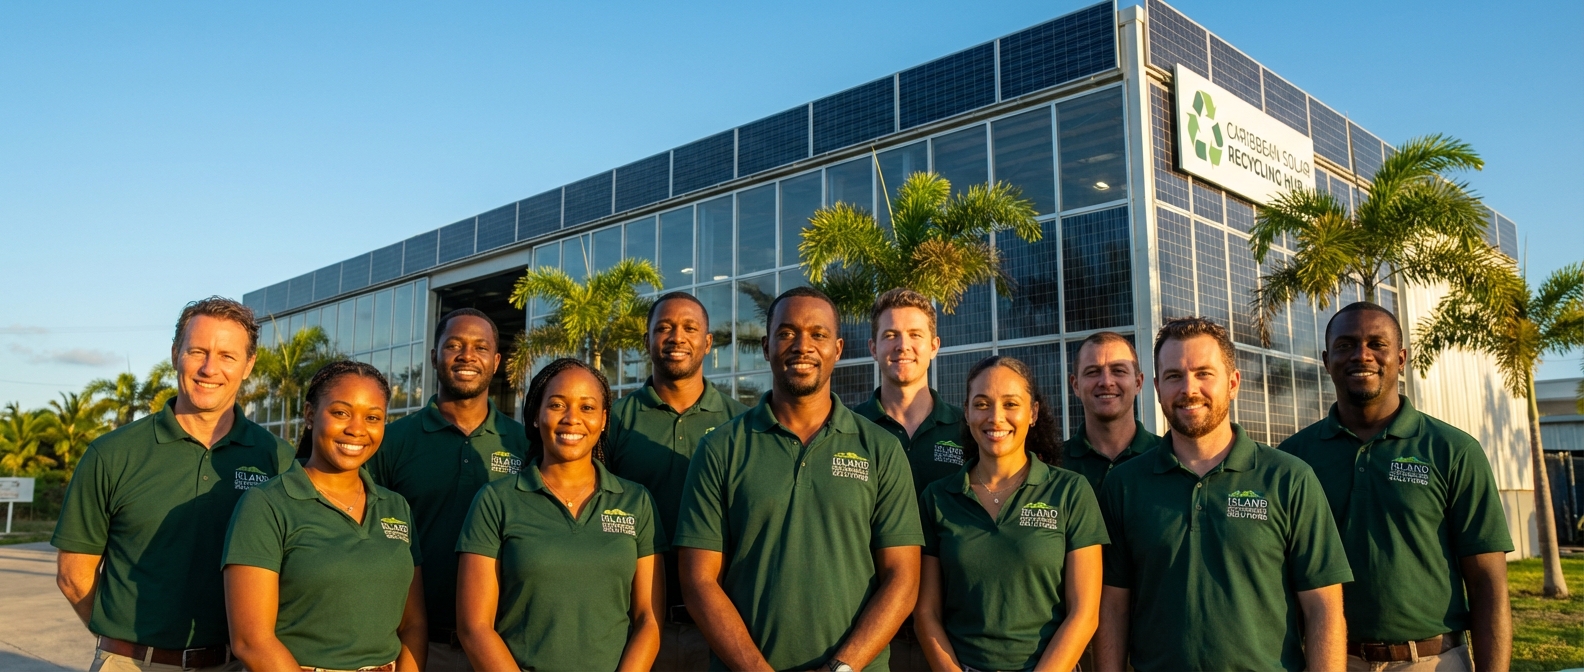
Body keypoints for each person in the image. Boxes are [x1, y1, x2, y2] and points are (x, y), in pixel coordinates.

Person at [675, 286, 924, 672]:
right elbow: (698, 582)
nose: (802, 345)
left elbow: (902, 579)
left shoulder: (880, 449)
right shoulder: (721, 448)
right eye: (787, 332)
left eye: (818, 334)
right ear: (766, 346)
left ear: (838, 349)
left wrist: (841, 668)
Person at [1095, 317, 1352, 671]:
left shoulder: (1289, 478)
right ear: (1156, 387)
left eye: (1204, 373)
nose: (1189, 388)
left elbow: (1323, 607)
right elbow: (1113, 606)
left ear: (1232, 383)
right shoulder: (1124, 485)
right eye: (1174, 376)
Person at [53, 297, 294, 672]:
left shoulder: (277, 459)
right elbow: (73, 575)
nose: (209, 368)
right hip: (132, 663)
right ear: (174, 354)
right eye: (197, 351)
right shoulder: (112, 454)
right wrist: (126, 644)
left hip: (237, 665)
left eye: (227, 356)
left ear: (248, 365)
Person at [1279, 302, 1513, 671]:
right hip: (1331, 660)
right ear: (1326, 360)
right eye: (1346, 345)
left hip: (1431, 660)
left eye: (1377, 344)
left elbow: (1489, 585)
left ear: (1401, 358)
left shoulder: (1453, 450)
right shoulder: (1293, 458)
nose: (1362, 355)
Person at [455, 358, 664, 672]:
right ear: (537, 415)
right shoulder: (496, 500)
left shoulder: (637, 501)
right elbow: (474, 626)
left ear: (605, 419)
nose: (572, 419)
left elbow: (649, 619)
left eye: (587, 408)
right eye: (557, 405)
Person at [223, 361, 427, 671]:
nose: (357, 429)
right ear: (309, 414)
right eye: (341, 413)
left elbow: (413, 623)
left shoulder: (395, 507)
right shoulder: (267, 504)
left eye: (372, 418)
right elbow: (251, 641)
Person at [915, 356, 1106, 672]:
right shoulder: (937, 498)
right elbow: (926, 613)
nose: (996, 417)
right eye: (982, 404)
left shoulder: (1070, 491)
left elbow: (1084, 612)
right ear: (966, 411)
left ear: (1033, 413)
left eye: (1010, 404)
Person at [369, 308, 528, 672]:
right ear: (433, 357)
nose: (467, 356)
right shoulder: (391, 441)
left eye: (480, 347)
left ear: (497, 360)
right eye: (453, 345)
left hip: (504, 648)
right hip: (415, 647)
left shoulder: (523, 443)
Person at [606, 291, 749, 671]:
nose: (676, 337)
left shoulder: (743, 424)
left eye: (689, 328)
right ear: (647, 341)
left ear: (707, 342)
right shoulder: (612, 422)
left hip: (723, 628)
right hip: (634, 627)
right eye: (664, 328)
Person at [849, 289, 965, 672]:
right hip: (865, 633)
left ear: (934, 346)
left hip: (953, 635)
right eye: (890, 335)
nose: (903, 345)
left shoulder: (968, 432)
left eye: (915, 335)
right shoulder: (847, 431)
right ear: (872, 346)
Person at [1063, 332, 1160, 492]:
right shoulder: (1051, 464)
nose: (1106, 382)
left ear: (1138, 383)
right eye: (1093, 372)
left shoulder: (1170, 458)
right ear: (1075, 385)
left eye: (1119, 371)